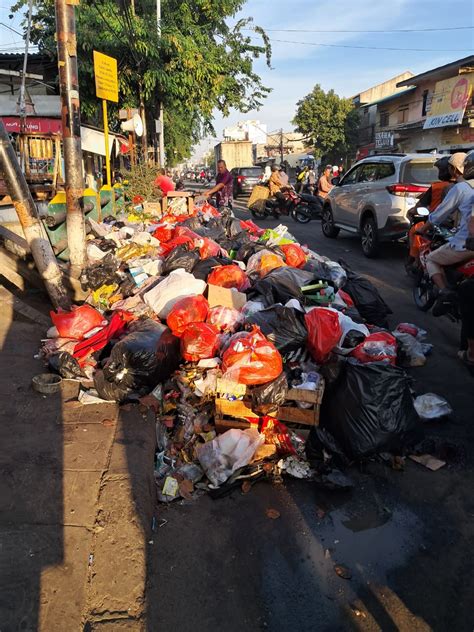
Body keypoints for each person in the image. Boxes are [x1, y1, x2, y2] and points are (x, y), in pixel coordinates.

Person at [418, 152, 474, 313]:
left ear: (455, 169)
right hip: (460, 231)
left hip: (466, 241)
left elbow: (440, 214)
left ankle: (445, 292)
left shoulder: (461, 187)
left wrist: (424, 228)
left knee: (431, 259)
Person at [407, 156, 455, 268]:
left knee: (415, 231)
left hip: (437, 222)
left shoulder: (437, 186)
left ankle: (416, 261)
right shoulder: (463, 186)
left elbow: (419, 205)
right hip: (456, 225)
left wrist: (411, 212)